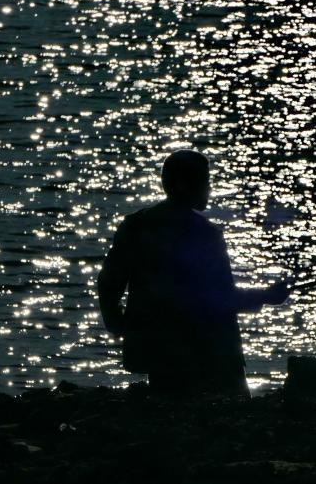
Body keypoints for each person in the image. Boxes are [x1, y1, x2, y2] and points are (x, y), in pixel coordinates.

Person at [97, 149, 291, 396]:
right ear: (184, 185)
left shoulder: (135, 226)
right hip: (206, 353)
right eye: (204, 182)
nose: (209, 189)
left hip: (153, 352)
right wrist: (266, 296)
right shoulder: (206, 235)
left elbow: (108, 283)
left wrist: (119, 325)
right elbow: (220, 299)